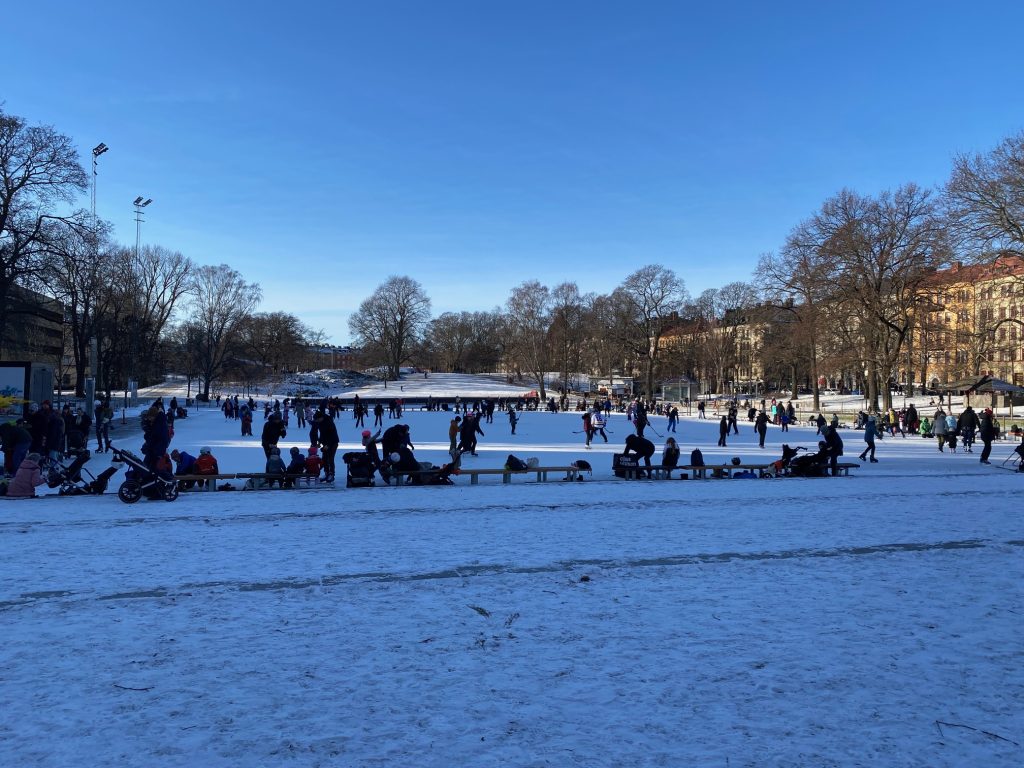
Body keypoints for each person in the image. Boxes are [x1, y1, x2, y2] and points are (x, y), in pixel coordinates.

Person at [310, 409, 338, 482]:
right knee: (324, 459)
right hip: (325, 443)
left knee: (330, 458)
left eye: (317, 420)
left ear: (321, 418)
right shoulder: (320, 423)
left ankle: (331, 474)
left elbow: (332, 435)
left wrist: (328, 445)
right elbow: (322, 434)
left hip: (333, 442)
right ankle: (326, 473)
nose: (317, 421)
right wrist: (319, 442)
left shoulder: (329, 422)